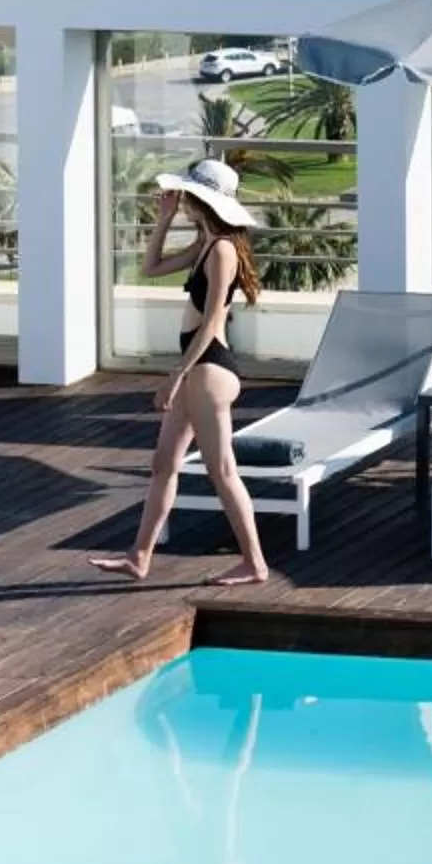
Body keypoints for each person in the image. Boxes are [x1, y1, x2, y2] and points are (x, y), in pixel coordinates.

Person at [91, 157, 274, 587]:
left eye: (185, 195)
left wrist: (175, 374)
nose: (180, 199)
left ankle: (255, 564)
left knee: (222, 471)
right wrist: (164, 219)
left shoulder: (223, 250)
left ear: (201, 199)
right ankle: (139, 556)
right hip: (197, 369)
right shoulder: (205, 243)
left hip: (208, 368)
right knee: (163, 464)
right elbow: (151, 268)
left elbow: (211, 323)